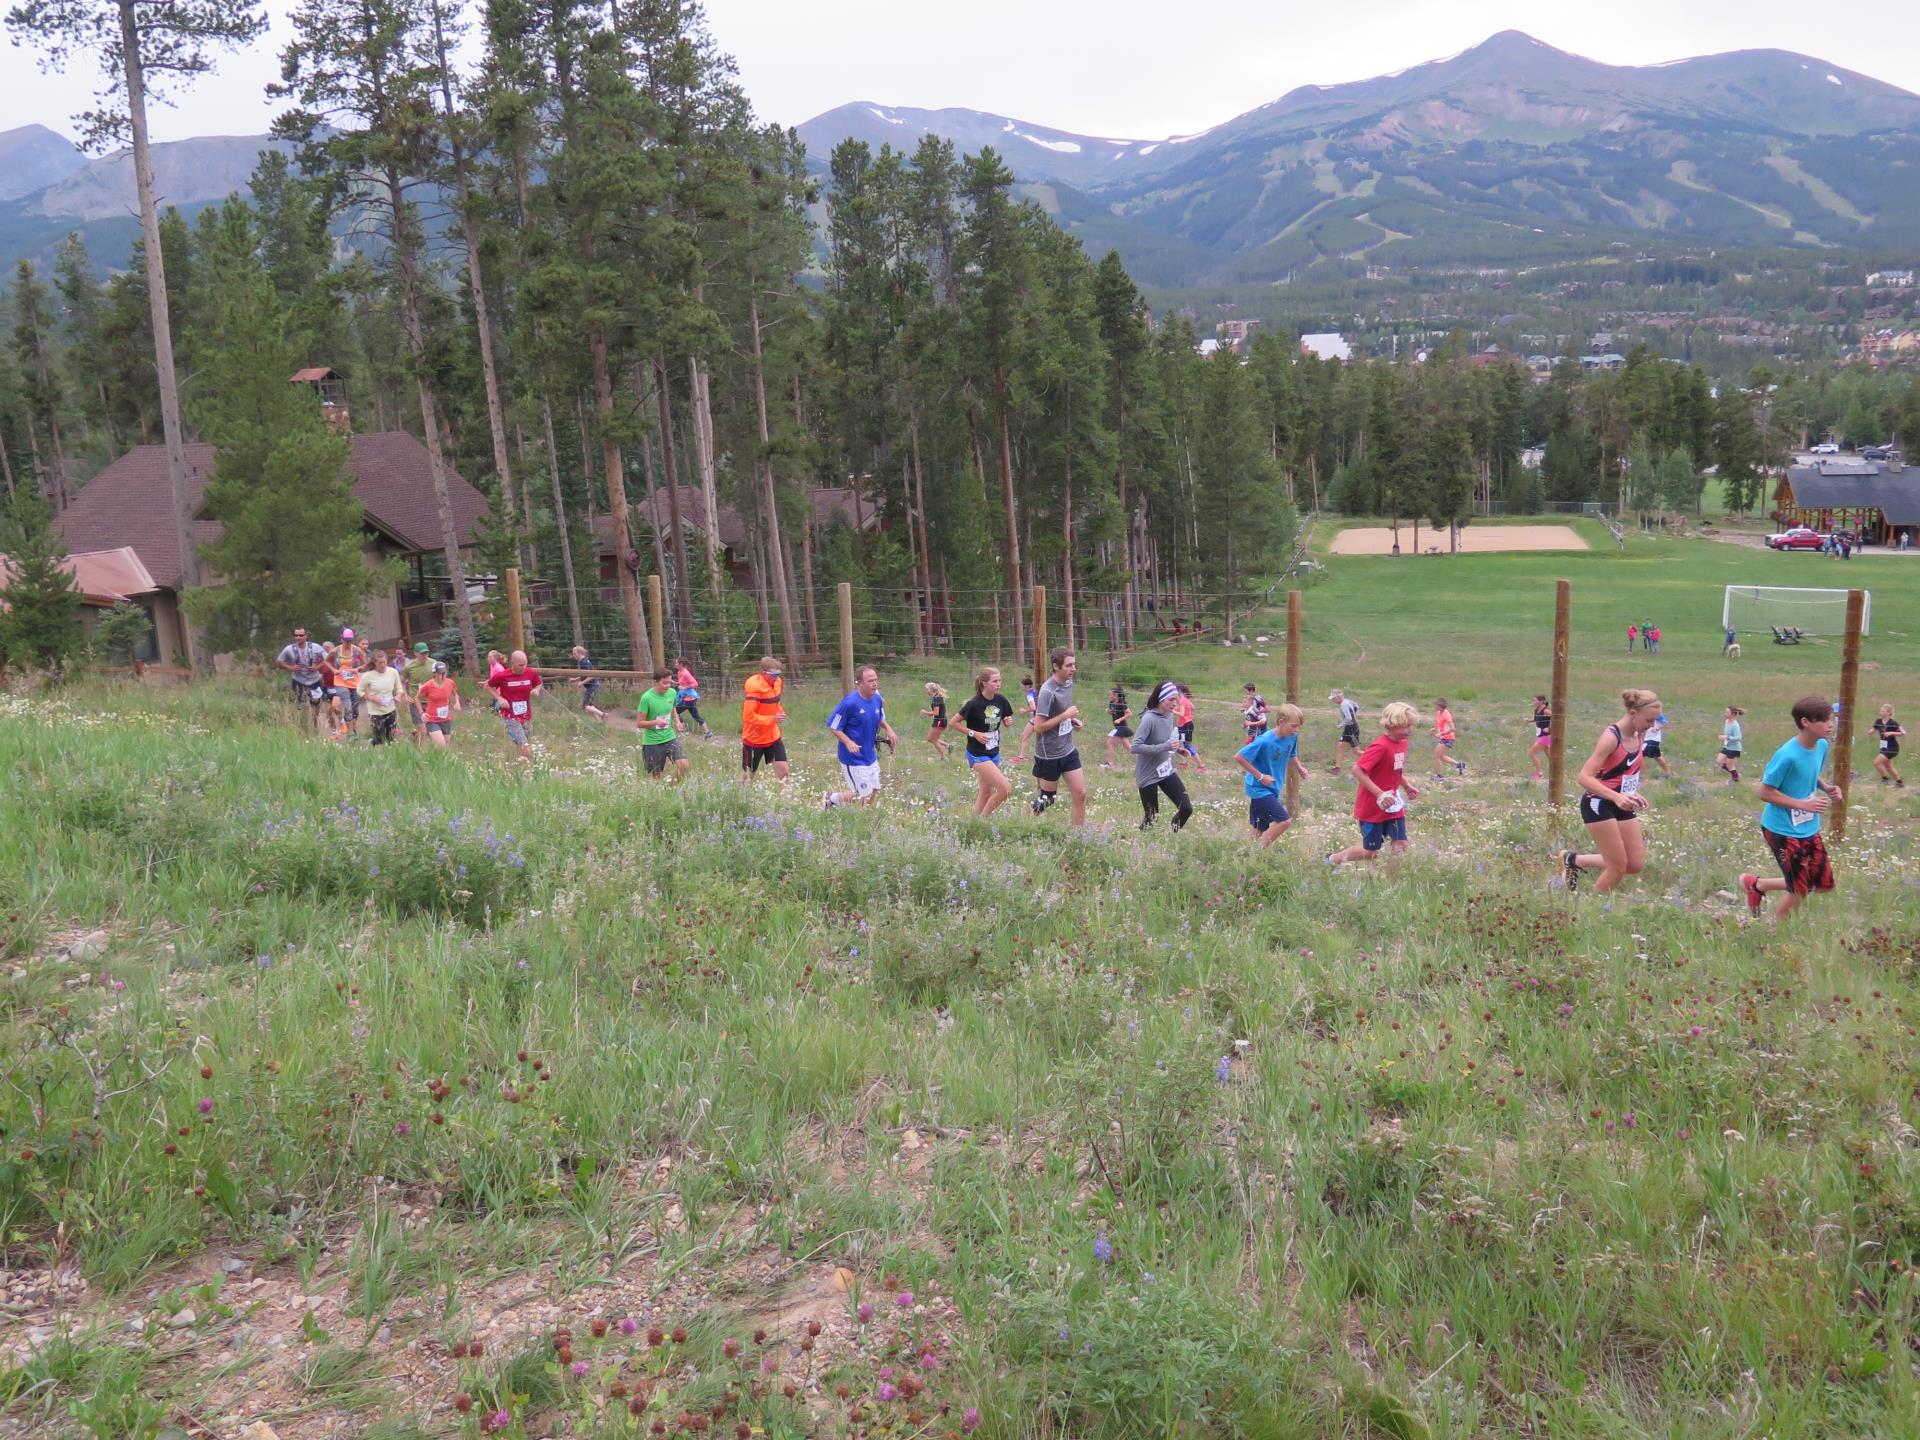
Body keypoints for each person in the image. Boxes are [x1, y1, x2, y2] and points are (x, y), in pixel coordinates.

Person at [1739, 696, 1842, 921]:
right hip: (1781, 829)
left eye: (1831, 720)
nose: (1830, 725)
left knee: (1824, 884)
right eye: (1824, 721)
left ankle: (1757, 885)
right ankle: (1776, 933)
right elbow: (1765, 792)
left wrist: (1826, 787)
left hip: (1808, 826)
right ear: (1805, 722)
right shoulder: (1787, 755)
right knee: (1799, 889)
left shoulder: (1822, 745)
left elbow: (1810, 774)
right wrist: (1803, 804)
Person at [1561, 689, 1661, 894]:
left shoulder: (1638, 734)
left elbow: (1622, 770)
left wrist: (1632, 792)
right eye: (1649, 720)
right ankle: (1590, 909)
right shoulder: (1611, 737)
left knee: (1634, 864)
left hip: (1622, 800)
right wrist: (1616, 796)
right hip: (1598, 803)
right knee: (1617, 867)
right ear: (1633, 714)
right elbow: (1584, 777)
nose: (1652, 726)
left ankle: (1573, 861)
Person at [1326, 701, 1421, 866]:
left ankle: (1393, 883)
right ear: (1391, 725)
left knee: (1400, 844)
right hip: (1372, 807)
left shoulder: (1402, 744)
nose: (1409, 730)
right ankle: (1332, 860)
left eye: (1411, 726)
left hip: (1393, 805)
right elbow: (1357, 770)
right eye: (1405, 726)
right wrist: (1380, 794)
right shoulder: (1381, 746)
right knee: (1371, 852)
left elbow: (1395, 770)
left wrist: (1406, 786)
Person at [824, 664, 899, 809]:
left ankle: (831, 799)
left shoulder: (877, 698)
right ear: (859, 683)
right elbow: (833, 725)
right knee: (863, 794)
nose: (875, 683)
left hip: (869, 754)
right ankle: (863, 820)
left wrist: (889, 729)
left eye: (876, 680)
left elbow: (879, 718)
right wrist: (848, 742)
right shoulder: (849, 703)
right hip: (853, 757)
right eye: (870, 681)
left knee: (874, 790)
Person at [1236, 702, 1307, 847]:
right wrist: (1261, 776)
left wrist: (1300, 767)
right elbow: (1239, 757)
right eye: (1294, 726)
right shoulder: (1265, 740)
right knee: (1284, 821)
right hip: (1258, 788)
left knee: (1260, 827)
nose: (1296, 730)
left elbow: (1292, 753)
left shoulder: (1292, 737)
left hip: (1273, 787)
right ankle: (1256, 851)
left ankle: (1245, 854)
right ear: (1281, 722)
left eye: (1299, 726)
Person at [1029, 648, 1087, 826]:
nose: (1073, 669)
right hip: (1049, 754)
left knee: (1080, 793)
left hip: (1068, 749)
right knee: (1047, 799)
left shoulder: (1068, 683)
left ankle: (1077, 836)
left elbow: (1061, 713)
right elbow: (1038, 727)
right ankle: (1029, 822)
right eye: (1069, 665)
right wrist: (1065, 716)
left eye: (1074, 665)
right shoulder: (1047, 692)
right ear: (1056, 666)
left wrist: (1072, 720)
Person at [1130, 682, 1193, 831]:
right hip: (1147, 774)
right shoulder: (1149, 719)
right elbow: (1135, 747)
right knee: (1151, 818)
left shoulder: (1169, 716)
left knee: (1186, 808)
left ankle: (1170, 838)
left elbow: (1165, 741)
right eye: (1171, 699)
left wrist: (1179, 750)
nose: (1174, 703)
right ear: (1160, 699)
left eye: (1176, 699)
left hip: (1165, 770)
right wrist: (1165, 747)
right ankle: (1139, 845)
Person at [955, 667, 1016, 817]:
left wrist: (1008, 722)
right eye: (995, 681)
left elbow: (1006, 721)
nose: (998, 684)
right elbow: (953, 723)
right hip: (977, 754)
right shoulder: (974, 704)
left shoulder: (1001, 700)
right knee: (1005, 789)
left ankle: (973, 823)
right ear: (984, 683)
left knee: (985, 792)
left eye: (1000, 680)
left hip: (993, 751)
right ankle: (983, 820)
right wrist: (974, 733)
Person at [740, 656, 789, 784]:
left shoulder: (777, 683)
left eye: (778, 674)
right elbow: (748, 717)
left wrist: (780, 712)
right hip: (753, 739)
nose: (776, 677)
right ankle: (743, 797)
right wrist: (772, 718)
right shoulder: (755, 690)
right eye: (773, 674)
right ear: (763, 673)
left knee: (784, 771)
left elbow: (775, 704)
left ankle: (784, 801)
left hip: (773, 737)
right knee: (748, 776)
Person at [486, 650, 542, 761]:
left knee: (522, 743)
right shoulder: (503, 676)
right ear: (513, 664)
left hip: (526, 715)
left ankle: (520, 766)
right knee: (524, 744)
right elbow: (487, 686)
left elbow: (539, 683)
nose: (523, 667)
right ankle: (529, 767)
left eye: (525, 664)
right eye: (521, 665)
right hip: (510, 715)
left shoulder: (530, 673)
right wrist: (500, 698)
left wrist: (536, 689)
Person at [636, 668, 689, 783]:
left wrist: (677, 721)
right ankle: (659, 795)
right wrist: (655, 722)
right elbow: (639, 723)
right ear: (656, 681)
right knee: (656, 777)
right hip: (653, 741)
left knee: (684, 764)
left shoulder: (672, 693)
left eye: (670, 682)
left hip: (669, 737)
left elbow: (672, 707)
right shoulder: (647, 698)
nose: (667, 686)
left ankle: (670, 789)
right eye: (664, 683)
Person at [359, 649, 406, 747]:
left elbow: (399, 687)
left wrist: (399, 694)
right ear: (374, 663)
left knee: (390, 737)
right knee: (380, 737)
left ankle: (390, 755)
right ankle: (373, 742)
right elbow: (359, 690)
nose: (383, 665)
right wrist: (372, 698)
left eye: (384, 662)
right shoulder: (368, 675)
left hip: (390, 708)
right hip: (375, 711)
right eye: (380, 663)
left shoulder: (393, 672)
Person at [332, 628, 368, 736]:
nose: (348, 642)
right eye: (346, 640)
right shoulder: (336, 650)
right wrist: (334, 670)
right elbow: (327, 661)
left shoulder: (357, 650)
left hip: (354, 682)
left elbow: (365, 663)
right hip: (341, 682)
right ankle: (351, 733)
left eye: (350, 640)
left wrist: (359, 668)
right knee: (347, 707)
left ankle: (353, 728)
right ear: (341, 639)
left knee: (355, 710)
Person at [416, 661, 460, 748]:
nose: (443, 676)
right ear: (434, 674)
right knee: (441, 745)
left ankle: (433, 759)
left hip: (446, 719)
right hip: (432, 719)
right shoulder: (428, 686)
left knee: (446, 746)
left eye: (444, 673)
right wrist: (422, 713)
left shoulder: (450, 683)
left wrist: (456, 703)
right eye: (440, 674)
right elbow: (417, 698)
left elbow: (454, 694)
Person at [401, 642, 436, 742]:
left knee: (431, 729)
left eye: (426, 653)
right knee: (423, 730)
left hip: (431, 701)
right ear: (415, 653)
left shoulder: (434, 663)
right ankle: (422, 754)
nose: (424, 656)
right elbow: (402, 682)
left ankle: (416, 738)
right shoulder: (409, 666)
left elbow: (440, 680)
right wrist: (406, 695)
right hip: (416, 701)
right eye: (422, 653)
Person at [674, 657, 714, 739]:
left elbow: (695, 684)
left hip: (689, 698)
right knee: (695, 715)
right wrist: (676, 683)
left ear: (681, 664)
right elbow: (682, 682)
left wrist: (685, 687)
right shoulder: (679, 672)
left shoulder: (686, 673)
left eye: (676, 663)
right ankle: (707, 732)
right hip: (686, 698)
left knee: (675, 711)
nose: (675, 664)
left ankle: (683, 730)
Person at [1173, 684, 1207, 772]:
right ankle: (1184, 763)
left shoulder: (1182, 701)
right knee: (1178, 744)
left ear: (1179, 692)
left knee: (1187, 745)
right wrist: (1189, 714)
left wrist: (1171, 710)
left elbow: (1181, 714)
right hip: (1185, 725)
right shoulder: (1186, 700)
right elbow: (1193, 707)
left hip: (1185, 726)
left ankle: (1201, 766)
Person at [1431, 698, 1465, 779]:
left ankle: (1440, 776)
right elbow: (1440, 723)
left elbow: (1453, 728)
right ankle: (1459, 765)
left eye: (1436, 705)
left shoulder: (1447, 715)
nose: (1435, 706)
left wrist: (1441, 733)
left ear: (1440, 706)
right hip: (1444, 738)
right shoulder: (1438, 713)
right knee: (1441, 756)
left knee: (1436, 756)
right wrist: (1434, 728)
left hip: (1448, 738)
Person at [572, 645, 607, 722]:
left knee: (585, 706)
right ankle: (599, 722)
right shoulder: (583, 661)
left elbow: (591, 675)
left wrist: (581, 683)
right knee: (589, 706)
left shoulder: (584, 662)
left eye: (574, 654)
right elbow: (585, 675)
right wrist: (575, 679)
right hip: (591, 686)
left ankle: (603, 715)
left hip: (593, 687)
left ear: (579, 653)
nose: (573, 656)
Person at [1872, 704, 1905, 787]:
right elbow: (1874, 729)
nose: (1881, 712)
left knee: (1876, 762)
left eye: (1883, 711)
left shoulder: (1893, 723)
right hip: (1884, 746)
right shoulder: (1878, 721)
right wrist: (1871, 731)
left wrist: (1891, 732)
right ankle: (1899, 782)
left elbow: (1903, 733)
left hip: (1892, 747)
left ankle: (1885, 779)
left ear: (1889, 713)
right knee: (1889, 767)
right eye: (1881, 710)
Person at [1330, 689, 1361, 775]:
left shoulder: (1344, 705)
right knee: (1340, 746)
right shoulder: (1347, 701)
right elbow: (1356, 707)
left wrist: (1341, 725)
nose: (1333, 700)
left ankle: (1374, 761)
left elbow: (1349, 718)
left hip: (1351, 729)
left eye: (1333, 698)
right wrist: (1354, 716)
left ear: (1338, 698)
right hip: (1350, 728)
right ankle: (1337, 768)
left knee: (1357, 751)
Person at [1104, 685, 1133, 768]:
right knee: (1128, 747)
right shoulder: (1112, 703)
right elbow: (1112, 712)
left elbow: (1129, 713)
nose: (1109, 696)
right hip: (1117, 727)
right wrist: (1108, 711)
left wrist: (1120, 719)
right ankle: (1143, 758)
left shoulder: (1121, 704)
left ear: (1115, 695)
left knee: (1109, 742)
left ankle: (1110, 764)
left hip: (1122, 727)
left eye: (1111, 694)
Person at [922, 681, 951, 760]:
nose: (926, 691)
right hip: (941, 720)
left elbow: (936, 712)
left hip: (939, 721)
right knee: (930, 738)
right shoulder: (939, 697)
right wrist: (930, 714)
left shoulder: (936, 699)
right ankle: (948, 746)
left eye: (927, 689)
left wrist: (926, 712)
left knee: (932, 739)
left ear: (931, 690)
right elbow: (938, 712)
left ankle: (943, 757)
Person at [1528, 695, 1553, 781]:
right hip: (1541, 734)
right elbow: (1536, 719)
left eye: (1535, 700)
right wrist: (1529, 720)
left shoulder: (1546, 711)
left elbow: (1558, 718)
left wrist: (1550, 728)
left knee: (1532, 753)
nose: (1533, 702)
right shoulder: (1536, 710)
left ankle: (1539, 773)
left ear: (1541, 701)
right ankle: (1556, 772)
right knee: (1550, 756)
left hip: (1546, 736)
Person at [1642, 705, 1672, 779]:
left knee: (1653, 756)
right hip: (1644, 738)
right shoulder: (1640, 711)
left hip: (1653, 738)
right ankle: (1642, 775)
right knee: (1644, 756)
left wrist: (1657, 727)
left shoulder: (1654, 712)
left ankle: (1668, 773)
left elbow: (1664, 721)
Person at [1014, 675, 1038, 764]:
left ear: (1026, 686)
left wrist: (1024, 710)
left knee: (1024, 736)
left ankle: (1021, 758)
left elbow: (1033, 707)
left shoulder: (1029, 695)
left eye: (1022, 685)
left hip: (1037, 718)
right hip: (1040, 717)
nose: (1021, 686)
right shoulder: (1035, 691)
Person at [1717, 705, 1745, 783]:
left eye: (1727, 712)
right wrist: (1725, 738)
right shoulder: (1726, 721)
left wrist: (1726, 737)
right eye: (1725, 711)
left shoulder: (1735, 725)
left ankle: (1735, 779)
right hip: (1727, 746)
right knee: (1720, 761)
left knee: (1729, 766)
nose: (1725, 713)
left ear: (1732, 714)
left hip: (1734, 748)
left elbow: (1738, 738)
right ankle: (1736, 774)